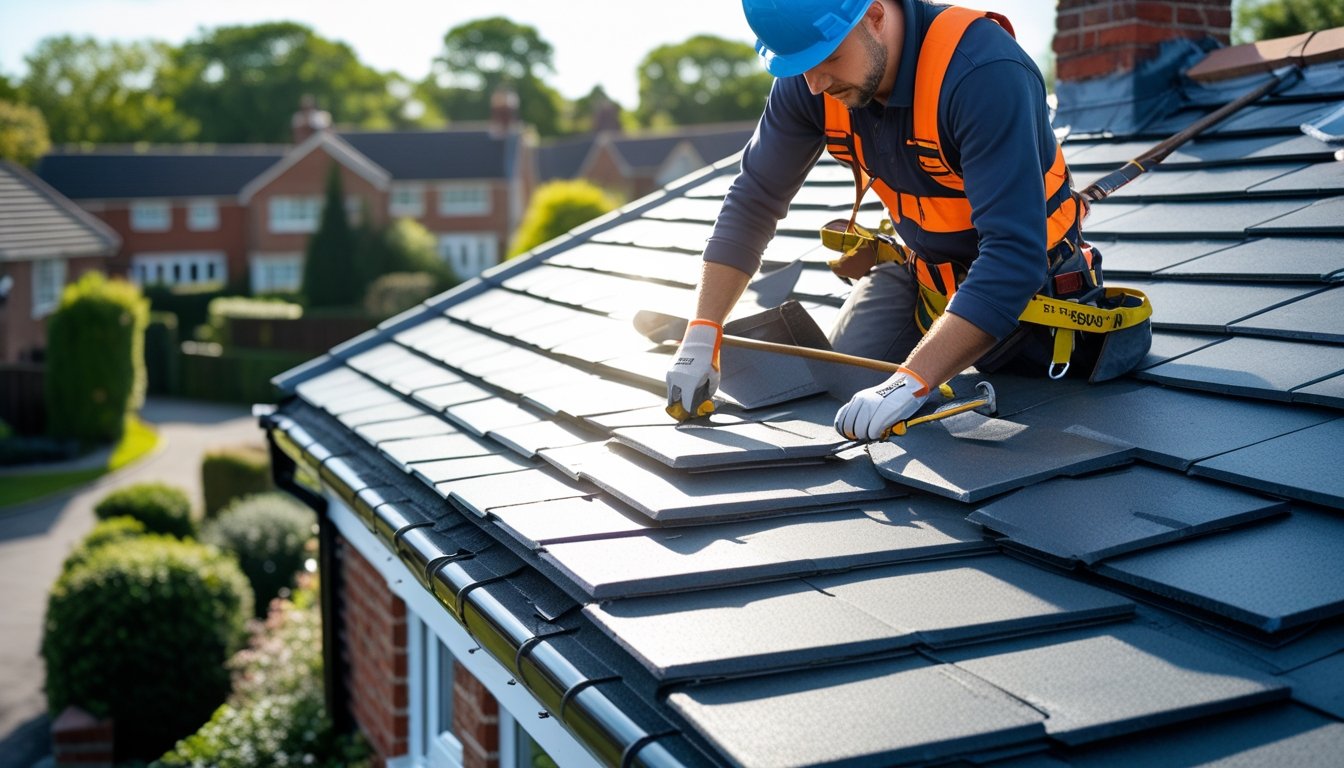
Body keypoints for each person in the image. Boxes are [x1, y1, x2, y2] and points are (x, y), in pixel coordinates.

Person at [665, 0, 1134, 441]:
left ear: (873, 16)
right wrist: (703, 330)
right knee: (836, 401)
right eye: (797, 65)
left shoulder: (983, 73)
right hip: (921, 278)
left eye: (825, 57)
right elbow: (754, 199)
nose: (813, 83)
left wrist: (911, 381)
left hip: (1027, 298)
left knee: (987, 429)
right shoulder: (811, 74)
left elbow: (1014, 257)